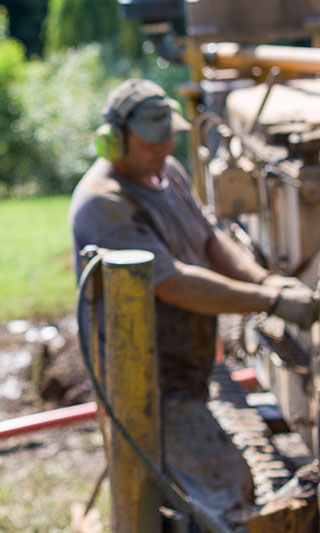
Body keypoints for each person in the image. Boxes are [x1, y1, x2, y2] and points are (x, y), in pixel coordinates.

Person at [69, 79, 320, 519]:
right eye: (152, 142)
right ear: (112, 140)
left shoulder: (168, 176)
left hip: (187, 373)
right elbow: (174, 284)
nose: (165, 148)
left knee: (208, 488)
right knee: (229, 495)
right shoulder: (102, 204)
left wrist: (268, 282)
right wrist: (269, 302)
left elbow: (211, 243)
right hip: (150, 389)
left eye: (169, 137)